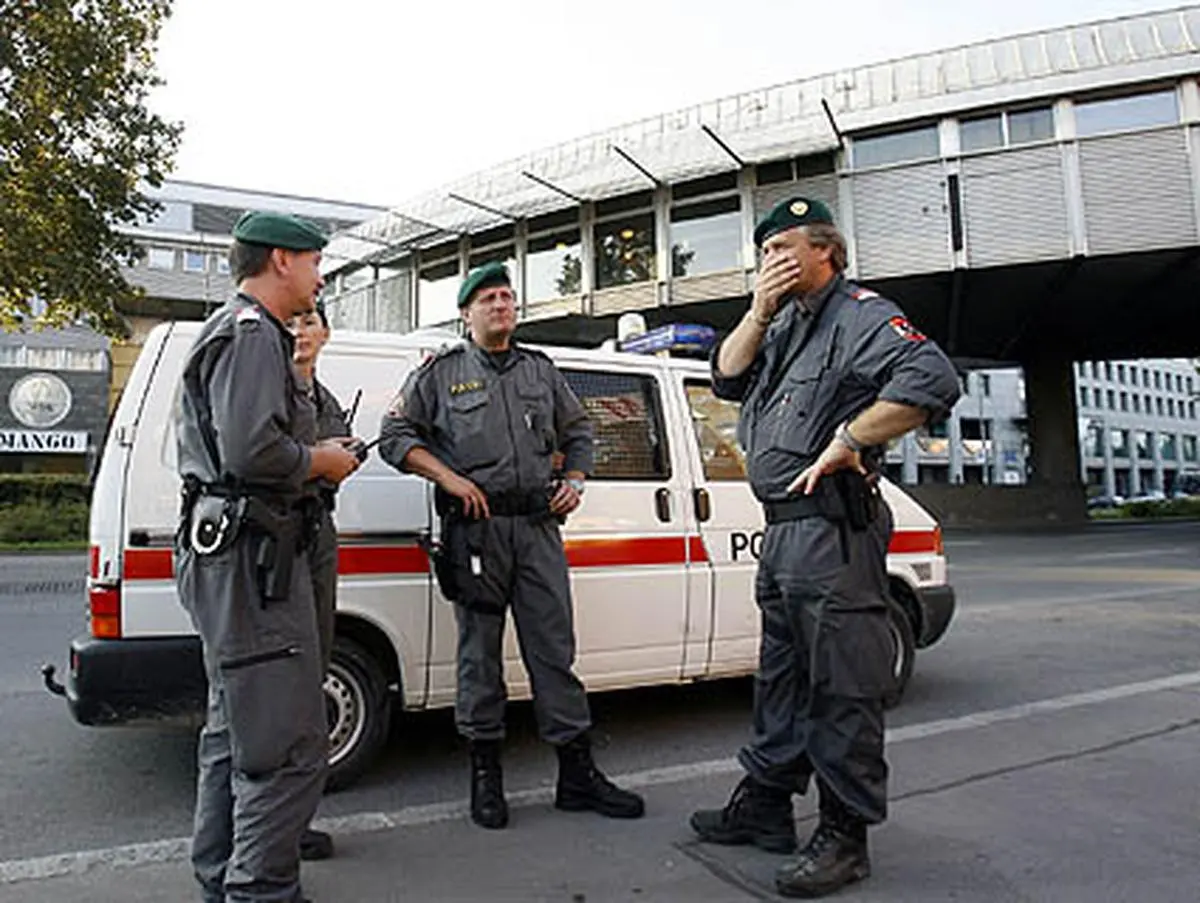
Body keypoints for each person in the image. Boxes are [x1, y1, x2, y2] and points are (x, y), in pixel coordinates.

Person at [688, 198, 961, 898]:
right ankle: (768, 804)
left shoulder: (860, 314)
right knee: (780, 677)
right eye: (764, 252)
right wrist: (756, 309)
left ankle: (845, 834)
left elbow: (932, 379)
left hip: (831, 527)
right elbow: (724, 377)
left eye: (782, 247)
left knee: (842, 684)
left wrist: (851, 439)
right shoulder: (781, 324)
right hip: (782, 530)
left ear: (825, 251)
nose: (770, 261)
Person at [378, 261, 644, 830]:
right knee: (479, 657)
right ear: (466, 313)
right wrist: (448, 478)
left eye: (507, 296)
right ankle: (485, 777)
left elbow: (579, 430)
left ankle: (577, 775)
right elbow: (394, 437)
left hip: (538, 530)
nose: (501, 305)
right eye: (489, 298)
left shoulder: (541, 370)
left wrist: (574, 480)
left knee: (555, 652)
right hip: (476, 532)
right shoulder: (441, 372)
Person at [175, 211, 360, 903]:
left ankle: (224, 880)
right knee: (282, 743)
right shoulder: (253, 333)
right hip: (256, 559)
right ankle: (260, 891)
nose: (319, 276)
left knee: (236, 731)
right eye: (315, 261)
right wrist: (324, 460)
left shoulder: (247, 332)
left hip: (242, 554)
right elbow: (255, 452)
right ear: (282, 259)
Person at [288, 300, 357, 862]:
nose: (300, 330)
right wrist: (322, 459)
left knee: (311, 678)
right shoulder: (264, 385)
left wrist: (344, 456)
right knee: (273, 692)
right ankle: (269, 832)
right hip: (274, 543)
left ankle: (293, 820)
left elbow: (333, 457)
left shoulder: (323, 396)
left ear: (326, 333)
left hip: (315, 535)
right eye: (292, 320)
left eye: (309, 321)